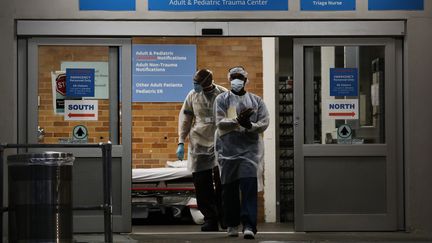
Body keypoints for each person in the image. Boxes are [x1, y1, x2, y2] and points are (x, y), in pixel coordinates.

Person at [214, 66, 269, 239]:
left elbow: (264, 122)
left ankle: (249, 225)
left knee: (248, 188)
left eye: (239, 77)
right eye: (233, 77)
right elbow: (220, 122)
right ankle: (231, 224)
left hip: (249, 153)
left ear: (246, 80)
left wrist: (249, 126)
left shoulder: (256, 101)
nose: (236, 81)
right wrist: (238, 120)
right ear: (229, 79)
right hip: (227, 152)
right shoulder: (222, 99)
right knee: (229, 190)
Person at [176, 68, 228, 231]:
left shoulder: (223, 94)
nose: (195, 85)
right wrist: (180, 141)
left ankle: (225, 217)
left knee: (223, 181)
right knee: (201, 182)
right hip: (199, 140)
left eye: (197, 83)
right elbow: (185, 119)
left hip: (220, 139)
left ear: (207, 82)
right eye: (194, 82)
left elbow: (232, 115)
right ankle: (210, 219)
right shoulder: (192, 95)